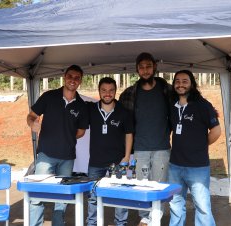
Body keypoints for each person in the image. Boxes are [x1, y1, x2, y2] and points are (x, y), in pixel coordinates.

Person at [26, 65, 89, 226]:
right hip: (46, 155)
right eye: (70, 76)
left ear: (80, 81)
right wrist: (32, 124)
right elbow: (31, 115)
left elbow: (81, 131)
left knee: (62, 198)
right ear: (64, 77)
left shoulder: (81, 105)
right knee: (38, 194)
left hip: (67, 158)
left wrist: (66, 135)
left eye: (77, 78)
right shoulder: (49, 96)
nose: (73, 80)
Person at [119, 52, 171, 226]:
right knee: (141, 186)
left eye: (148, 66)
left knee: (159, 187)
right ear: (137, 70)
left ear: (155, 67)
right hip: (140, 149)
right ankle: (145, 218)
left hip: (162, 148)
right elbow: (124, 124)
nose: (145, 70)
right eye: (141, 67)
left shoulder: (167, 90)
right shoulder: (129, 94)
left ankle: (154, 219)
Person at [168, 70, 221, 226]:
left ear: (192, 83)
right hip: (175, 166)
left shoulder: (203, 105)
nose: (180, 84)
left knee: (202, 206)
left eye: (185, 81)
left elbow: (216, 131)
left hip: (197, 167)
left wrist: (200, 146)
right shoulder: (172, 106)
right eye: (177, 81)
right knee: (175, 204)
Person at [86, 77, 134, 226]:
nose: (107, 94)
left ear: (115, 91)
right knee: (93, 196)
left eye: (111, 90)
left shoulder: (124, 112)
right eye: (104, 90)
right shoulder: (90, 109)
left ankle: (121, 223)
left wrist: (126, 157)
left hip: (118, 162)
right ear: (99, 91)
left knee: (120, 196)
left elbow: (129, 135)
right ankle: (92, 223)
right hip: (95, 162)